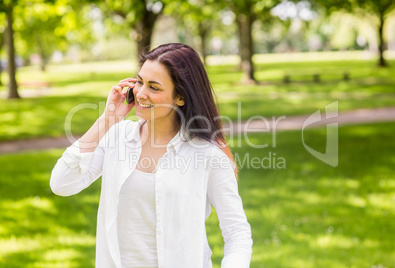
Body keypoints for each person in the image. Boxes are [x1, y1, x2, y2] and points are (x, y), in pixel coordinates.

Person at [50, 43, 252, 268]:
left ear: (181, 98)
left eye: (154, 87)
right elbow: (61, 183)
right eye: (139, 82)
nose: (141, 93)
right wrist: (107, 120)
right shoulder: (117, 136)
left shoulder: (207, 155)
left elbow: (237, 233)